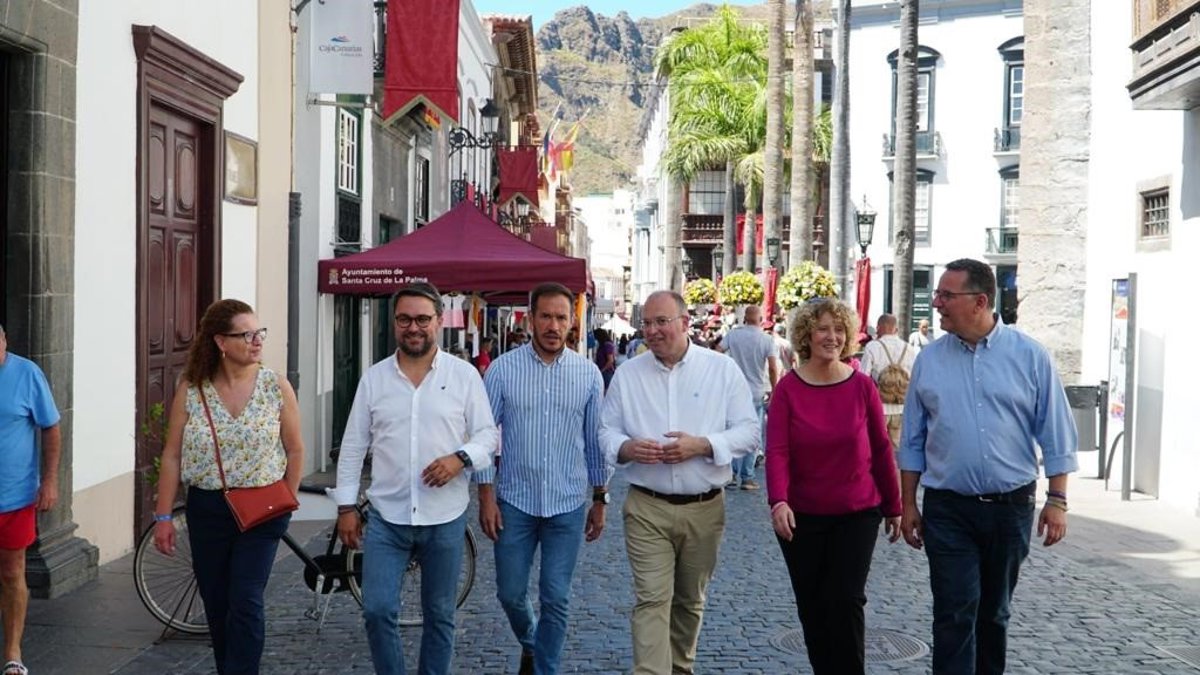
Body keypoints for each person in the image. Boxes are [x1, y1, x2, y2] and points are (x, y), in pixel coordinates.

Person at [899, 259, 1078, 675]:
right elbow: (912, 440)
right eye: (938, 294)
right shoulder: (929, 360)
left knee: (994, 613)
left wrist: (1057, 500)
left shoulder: (1030, 356)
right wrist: (908, 504)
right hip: (948, 509)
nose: (937, 303)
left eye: (947, 295)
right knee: (953, 610)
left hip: (1009, 509)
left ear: (980, 302)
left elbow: (1056, 431)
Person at [333, 282, 499, 675]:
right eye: (405, 319)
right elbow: (353, 446)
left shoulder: (464, 376)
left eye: (423, 319)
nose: (414, 327)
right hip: (387, 519)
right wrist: (345, 507)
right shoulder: (374, 379)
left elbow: (488, 436)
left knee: (440, 615)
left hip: (444, 518)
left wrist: (460, 458)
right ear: (394, 323)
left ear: (439, 321)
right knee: (377, 611)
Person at [599, 290, 758, 675]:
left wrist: (703, 445)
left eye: (661, 322)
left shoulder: (721, 370)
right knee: (652, 600)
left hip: (704, 508)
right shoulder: (627, 375)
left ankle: (680, 668)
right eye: (647, 323)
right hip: (646, 507)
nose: (652, 331)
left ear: (685, 323)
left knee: (689, 601)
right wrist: (626, 448)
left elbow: (750, 433)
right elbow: (606, 432)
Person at [153, 300, 305, 675]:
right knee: (217, 601)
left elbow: (295, 448)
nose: (257, 341)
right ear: (221, 341)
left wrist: (287, 498)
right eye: (246, 335)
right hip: (208, 509)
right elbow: (172, 455)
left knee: (246, 598)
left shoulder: (275, 386)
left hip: (263, 509)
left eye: (259, 333)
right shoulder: (192, 389)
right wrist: (163, 516)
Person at [475, 282, 609, 675]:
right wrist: (486, 496)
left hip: (566, 503)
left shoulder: (588, 375)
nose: (553, 325)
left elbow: (595, 442)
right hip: (514, 502)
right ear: (530, 319)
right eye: (546, 316)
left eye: (561, 317)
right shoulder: (502, 370)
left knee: (556, 597)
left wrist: (600, 498)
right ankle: (533, 642)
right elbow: (484, 435)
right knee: (510, 593)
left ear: (572, 322)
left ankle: (545, 668)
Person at [765, 300, 901, 674]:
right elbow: (777, 451)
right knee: (812, 606)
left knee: (845, 600)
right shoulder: (788, 389)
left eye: (839, 329)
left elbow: (880, 449)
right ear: (807, 335)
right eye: (823, 328)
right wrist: (779, 501)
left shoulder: (862, 387)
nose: (832, 337)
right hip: (802, 517)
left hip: (857, 514)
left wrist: (894, 506)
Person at [0, 324, 60, 675]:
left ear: (5, 341)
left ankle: (12, 651)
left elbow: (50, 427)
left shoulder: (27, 374)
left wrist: (49, 481)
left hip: (14, 497)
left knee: (12, 572)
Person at [718, 305, 779, 490]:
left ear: (745, 318)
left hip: (734, 391)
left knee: (733, 431)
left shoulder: (733, 335)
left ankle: (731, 474)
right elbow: (772, 367)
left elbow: (718, 352)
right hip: (756, 391)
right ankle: (747, 477)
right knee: (753, 433)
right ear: (760, 320)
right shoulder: (766, 339)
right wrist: (775, 389)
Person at [858, 314, 917, 449]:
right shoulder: (909, 348)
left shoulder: (872, 347)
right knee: (898, 449)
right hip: (902, 407)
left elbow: (863, 378)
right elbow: (915, 378)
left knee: (876, 447)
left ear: (878, 328)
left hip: (879, 407)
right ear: (895, 329)